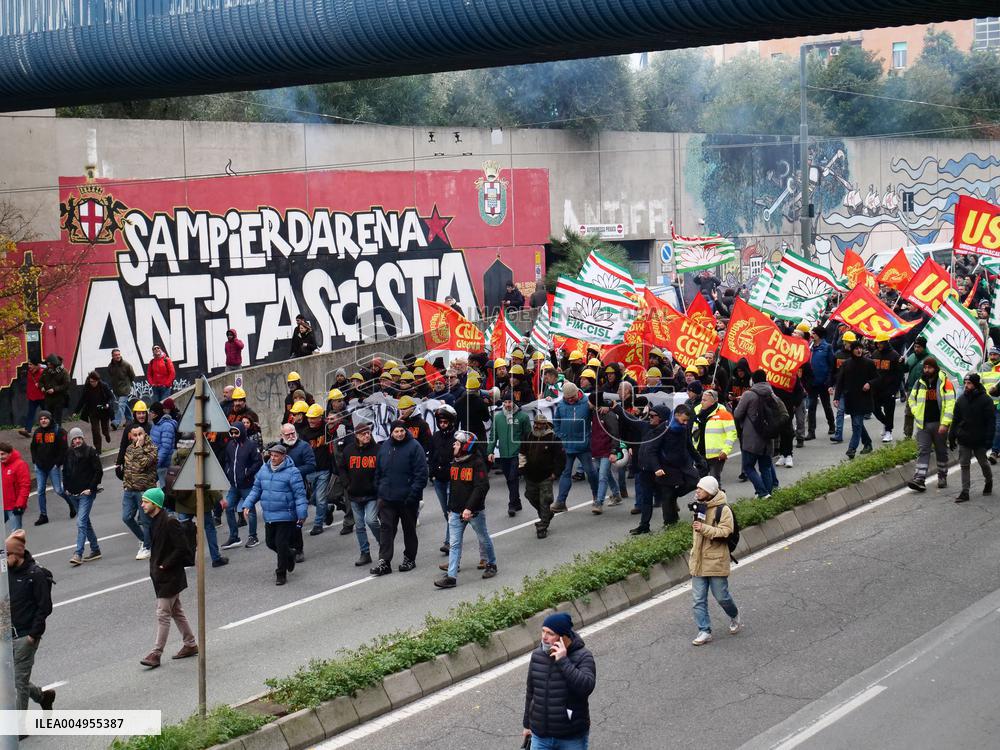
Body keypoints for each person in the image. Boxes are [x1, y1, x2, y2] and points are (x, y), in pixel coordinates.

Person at [139, 488, 198, 668]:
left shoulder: (169, 522)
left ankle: (156, 654)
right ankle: (190, 644)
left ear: (155, 504)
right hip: (162, 575)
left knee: (163, 614)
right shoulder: (155, 521)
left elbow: (182, 548)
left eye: (146, 502)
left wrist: (165, 565)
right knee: (176, 611)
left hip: (169, 576)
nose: (142, 505)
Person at [522, 612, 596, 750]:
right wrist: (527, 725)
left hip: (571, 737)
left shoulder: (583, 656)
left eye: (550, 633)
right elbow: (531, 691)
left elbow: (586, 687)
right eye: (543, 631)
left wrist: (563, 661)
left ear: (563, 637)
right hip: (540, 736)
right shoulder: (537, 655)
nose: (544, 637)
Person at [434, 429, 497, 588]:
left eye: (457, 443)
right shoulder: (455, 461)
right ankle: (451, 577)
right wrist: (449, 508)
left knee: (483, 538)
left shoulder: (477, 463)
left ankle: (492, 564)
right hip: (455, 511)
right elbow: (453, 488)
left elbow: (481, 487)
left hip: (474, 512)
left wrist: (469, 508)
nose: (453, 445)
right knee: (454, 544)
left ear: (465, 446)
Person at [240, 443, 309, 586]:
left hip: (287, 514)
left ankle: (281, 573)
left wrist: (302, 514)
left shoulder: (293, 472)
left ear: (284, 456)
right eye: (271, 455)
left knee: (281, 543)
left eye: (276, 456)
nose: (273, 458)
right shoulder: (263, 470)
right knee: (271, 543)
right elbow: (256, 489)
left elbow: (300, 495)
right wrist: (247, 504)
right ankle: (290, 554)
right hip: (269, 514)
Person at [6, 529, 56, 712]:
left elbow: (45, 607)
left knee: (18, 682)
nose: (3, 560)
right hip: (7, 635)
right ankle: (43, 697)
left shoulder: (36, 574)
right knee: (10, 678)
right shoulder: (7, 572)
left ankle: (19, 726)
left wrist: (33, 635)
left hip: (25, 637)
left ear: (17, 553)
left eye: (6, 555)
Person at [688, 475, 742, 646]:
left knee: (721, 596)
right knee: (698, 600)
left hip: (716, 560)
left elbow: (725, 532)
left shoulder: (723, 510)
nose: (697, 491)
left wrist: (703, 528)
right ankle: (704, 630)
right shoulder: (699, 508)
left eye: (700, 488)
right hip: (698, 560)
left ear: (710, 491)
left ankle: (734, 615)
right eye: (697, 488)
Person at [370, 420, 428, 576]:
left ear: (405, 431)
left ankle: (409, 558)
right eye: (396, 431)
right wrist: (379, 490)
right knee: (386, 530)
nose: (399, 434)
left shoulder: (415, 447)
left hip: (407, 499)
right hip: (387, 498)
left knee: (409, 530)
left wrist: (413, 495)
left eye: (401, 431)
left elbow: (421, 474)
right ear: (391, 433)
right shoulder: (385, 447)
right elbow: (378, 471)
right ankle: (384, 561)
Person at [734, 370, 788, 499]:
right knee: (765, 466)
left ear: (753, 380)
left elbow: (737, 414)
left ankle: (762, 492)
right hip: (767, 435)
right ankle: (768, 493)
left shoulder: (748, 395)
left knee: (748, 467)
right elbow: (784, 414)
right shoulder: (772, 393)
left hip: (751, 437)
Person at [906, 357, 955, 492]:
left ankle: (942, 476)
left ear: (935, 368)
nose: (927, 370)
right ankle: (919, 479)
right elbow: (911, 399)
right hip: (923, 424)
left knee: (941, 451)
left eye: (929, 368)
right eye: (925, 368)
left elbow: (950, 404)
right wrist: (916, 412)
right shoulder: (919, 382)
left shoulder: (945, 383)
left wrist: (945, 423)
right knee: (923, 451)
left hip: (939, 424)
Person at [339, 420, 382, 567]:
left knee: (371, 520)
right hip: (354, 493)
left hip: (371, 494)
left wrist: (377, 486)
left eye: (368, 433)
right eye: (363, 434)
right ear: (357, 435)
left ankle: (383, 544)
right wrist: (347, 484)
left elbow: (382, 470)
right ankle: (365, 553)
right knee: (359, 526)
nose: (367, 436)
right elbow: (342, 468)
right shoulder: (348, 450)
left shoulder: (377, 450)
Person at [950, 372, 994, 503]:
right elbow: (956, 419)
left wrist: (989, 440)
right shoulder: (961, 400)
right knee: (964, 465)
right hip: (964, 438)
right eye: (965, 383)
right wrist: (952, 435)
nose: (966, 386)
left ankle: (989, 480)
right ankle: (965, 492)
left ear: (975, 384)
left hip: (979, 439)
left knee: (983, 463)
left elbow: (991, 422)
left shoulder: (986, 400)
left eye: (969, 383)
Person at [521, 412, 566, 539]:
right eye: (535, 423)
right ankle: (546, 514)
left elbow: (561, 458)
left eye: (540, 424)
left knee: (545, 500)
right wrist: (522, 468)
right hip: (530, 475)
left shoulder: (553, 438)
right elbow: (522, 453)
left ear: (545, 425)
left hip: (546, 476)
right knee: (530, 496)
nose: (537, 426)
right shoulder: (528, 436)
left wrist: (555, 473)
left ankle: (543, 526)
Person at [554, 382, 598, 512]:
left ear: (577, 393)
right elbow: (556, 422)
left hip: (583, 445)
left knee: (590, 472)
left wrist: (589, 437)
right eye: (567, 399)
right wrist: (560, 435)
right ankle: (561, 501)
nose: (570, 400)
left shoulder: (587, 403)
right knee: (565, 473)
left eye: (572, 398)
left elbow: (596, 421)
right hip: (567, 445)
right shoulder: (561, 405)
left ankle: (597, 498)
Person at [63, 428, 103, 565]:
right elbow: (65, 472)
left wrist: (90, 489)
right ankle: (95, 549)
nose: (77, 440)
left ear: (83, 438)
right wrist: (66, 488)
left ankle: (78, 553)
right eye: (74, 439)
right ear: (71, 441)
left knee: (81, 522)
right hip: (72, 494)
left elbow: (99, 471)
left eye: (79, 438)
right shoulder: (68, 453)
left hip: (86, 494)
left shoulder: (91, 452)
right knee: (85, 522)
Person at [488, 389, 530, 517]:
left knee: (513, 477)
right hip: (503, 454)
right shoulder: (498, 417)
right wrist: (490, 451)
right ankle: (517, 502)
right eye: (505, 402)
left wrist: (526, 452)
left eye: (510, 402)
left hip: (517, 453)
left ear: (514, 402)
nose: (507, 404)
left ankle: (511, 504)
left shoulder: (523, 417)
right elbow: (493, 436)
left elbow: (528, 436)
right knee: (509, 479)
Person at [221, 421, 263, 550]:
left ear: (242, 432)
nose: (234, 435)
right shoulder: (230, 445)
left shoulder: (250, 445)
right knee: (228, 508)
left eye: (236, 432)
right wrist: (228, 471)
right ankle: (234, 537)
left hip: (247, 484)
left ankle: (253, 536)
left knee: (249, 510)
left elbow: (258, 461)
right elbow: (227, 461)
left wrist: (247, 472)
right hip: (234, 485)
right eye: (232, 432)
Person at [835, 339, 877, 459]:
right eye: (856, 349)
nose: (859, 350)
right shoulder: (846, 364)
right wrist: (837, 397)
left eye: (860, 348)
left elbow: (877, 378)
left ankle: (852, 448)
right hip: (850, 398)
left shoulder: (869, 363)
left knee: (856, 424)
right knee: (857, 424)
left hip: (863, 398)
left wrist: (869, 383)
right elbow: (840, 381)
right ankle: (867, 443)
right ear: (852, 350)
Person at [122, 424, 158, 560]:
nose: (138, 437)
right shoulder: (129, 448)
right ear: (131, 436)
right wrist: (126, 484)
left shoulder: (151, 448)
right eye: (135, 435)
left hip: (144, 490)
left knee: (145, 521)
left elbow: (144, 464)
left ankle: (147, 547)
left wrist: (138, 448)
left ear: (145, 434)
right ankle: (145, 540)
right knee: (126, 517)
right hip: (130, 489)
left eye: (140, 434)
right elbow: (128, 468)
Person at [29, 410, 71, 526]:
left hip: (53, 467)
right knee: (40, 491)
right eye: (41, 419)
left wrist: (57, 464)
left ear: (50, 419)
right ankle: (43, 515)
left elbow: (64, 449)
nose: (43, 420)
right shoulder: (37, 432)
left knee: (58, 490)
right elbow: (33, 447)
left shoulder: (59, 431)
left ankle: (71, 503)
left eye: (45, 418)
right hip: (40, 467)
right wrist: (35, 461)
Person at [429, 405, 460, 553]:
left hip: (452, 479)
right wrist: (432, 473)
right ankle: (455, 533)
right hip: (438, 479)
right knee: (445, 512)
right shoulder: (435, 436)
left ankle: (449, 541)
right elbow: (432, 455)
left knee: (450, 511)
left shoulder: (457, 437)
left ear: (451, 422)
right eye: (440, 422)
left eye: (445, 422)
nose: (442, 425)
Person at [299, 404, 332, 537]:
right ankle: (327, 509)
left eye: (314, 418)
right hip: (310, 472)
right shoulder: (305, 433)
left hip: (324, 469)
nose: (311, 420)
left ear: (320, 417)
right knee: (314, 500)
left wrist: (332, 423)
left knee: (320, 498)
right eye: (309, 418)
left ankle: (318, 524)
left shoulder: (326, 428)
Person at [692, 389, 737, 481]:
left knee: (714, 481)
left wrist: (725, 451)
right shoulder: (696, 411)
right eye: (702, 399)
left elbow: (732, 434)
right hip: (700, 453)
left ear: (713, 402)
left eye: (705, 400)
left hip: (717, 455)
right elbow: (692, 432)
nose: (701, 402)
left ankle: (718, 495)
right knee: (701, 483)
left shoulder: (724, 414)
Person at [871, 334, 904, 443]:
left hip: (889, 389)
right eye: (877, 343)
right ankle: (886, 423)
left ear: (885, 342)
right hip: (876, 388)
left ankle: (889, 431)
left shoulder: (894, 355)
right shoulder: (875, 354)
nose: (878, 345)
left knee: (889, 410)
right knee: (874, 408)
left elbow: (899, 374)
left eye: (880, 343)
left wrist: (895, 390)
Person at [806, 327, 836, 439]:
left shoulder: (827, 347)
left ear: (818, 335)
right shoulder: (810, 347)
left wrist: (829, 381)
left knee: (826, 405)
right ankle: (811, 431)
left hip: (823, 382)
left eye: (813, 333)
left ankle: (832, 425)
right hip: (812, 382)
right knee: (811, 407)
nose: (811, 335)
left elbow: (831, 365)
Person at [75, 370, 115, 452]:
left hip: (104, 411)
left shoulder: (104, 386)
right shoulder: (87, 387)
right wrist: (76, 411)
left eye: (94, 382)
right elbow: (82, 400)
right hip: (93, 412)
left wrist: (108, 404)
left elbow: (111, 397)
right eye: (90, 381)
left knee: (104, 430)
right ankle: (98, 449)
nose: (92, 383)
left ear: (97, 380)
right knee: (95, 431)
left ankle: (107, 434)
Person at [902, 336, 928, 440]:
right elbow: (905, 370)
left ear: (924, 347)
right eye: (915, 346)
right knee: (909, 412)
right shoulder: (912, 357)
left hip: (924, 391)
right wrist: (901, 364)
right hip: (911, 389)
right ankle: (907, 435)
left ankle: (922, 435)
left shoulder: (929, 358)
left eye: (918, 347)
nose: (916, 349)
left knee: (923, 413)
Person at [1, 442, 30, 532]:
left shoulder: (20, 465)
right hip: (2, 505)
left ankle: (19, 546)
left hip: (14, 506)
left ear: (10, 453)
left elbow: (25, 486)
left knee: (16, 534)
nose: (0, 457)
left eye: (3, 454)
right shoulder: (1, 465)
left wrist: (20, 504)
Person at [106, 348, 136, 430]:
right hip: (117, 390)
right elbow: (111, 376)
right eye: (116, 355)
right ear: (112, 356)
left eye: (119, 354)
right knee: (124, 405)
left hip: (125, 389)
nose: (118, 356)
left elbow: (132, 376)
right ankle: (130, 420)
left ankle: (116, 422)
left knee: (121, 405)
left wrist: (128, 385)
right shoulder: (110, 366)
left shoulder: (126, 365)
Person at [149, 402, 177, 486]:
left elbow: (165, 448)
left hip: (164, 465)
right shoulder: (156, 424)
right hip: (157, 463)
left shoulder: (167, 426)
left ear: (157, 413)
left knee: (164, 489)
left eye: (152, 412)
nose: (150, 414)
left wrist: (156, 463)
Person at [38, 353, 70, 426]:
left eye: (50, 364)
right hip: (48, 399)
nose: (48, 365)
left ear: (54, 364)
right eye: (48, 364)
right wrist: (42, 387)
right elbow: (40, 381)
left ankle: (57, 433)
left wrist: (54, 389)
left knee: (57, 419)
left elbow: (66, 385)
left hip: (59, 399)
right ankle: (49, 433)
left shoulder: (64, 372)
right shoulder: (46, 371)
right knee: (48, 418)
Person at [19, 359, 45, 437]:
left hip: (42, 397)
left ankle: (53, 429)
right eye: (29, 364)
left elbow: (50, 368)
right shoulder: (29, 372)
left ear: (37, 365)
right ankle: (27, 430)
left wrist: (41, 366)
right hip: (32, 397)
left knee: (47, 414)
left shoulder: (43, 372)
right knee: (30, 413)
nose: (29, 366)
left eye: (31, 364)